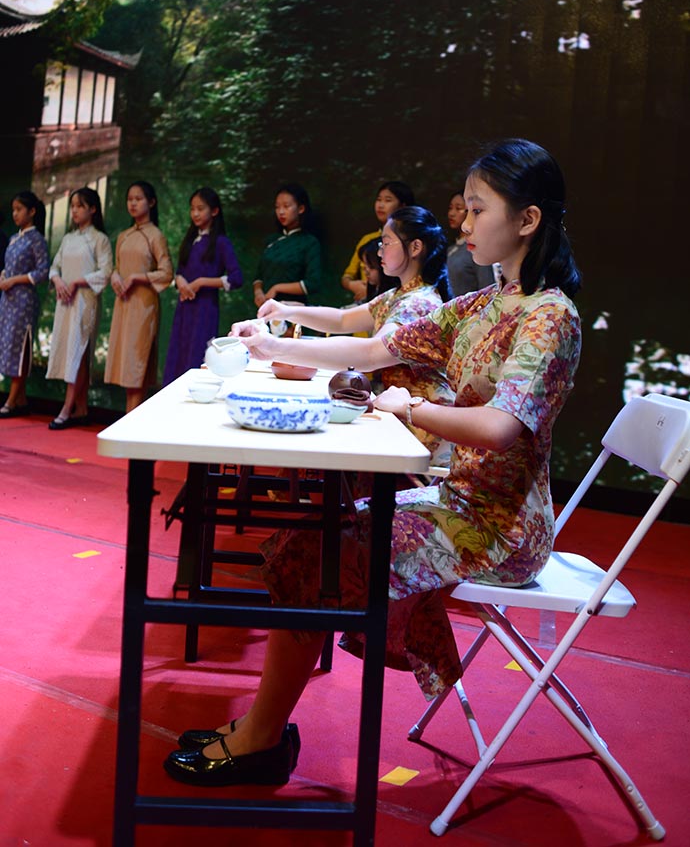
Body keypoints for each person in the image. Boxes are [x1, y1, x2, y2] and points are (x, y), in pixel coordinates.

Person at [163, 138, 581, 788]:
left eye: (478, 209)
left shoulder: (549, 316)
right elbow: (373, 348)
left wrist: (411, 408)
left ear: (527, 219)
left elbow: (502, 428)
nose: (464, 224)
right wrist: (271, 342)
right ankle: (263, 728)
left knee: (316, 553)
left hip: (501, 529)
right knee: (310, 539)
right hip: (457, 501)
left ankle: (260, 739)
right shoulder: (483, 307)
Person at [258, 206, 455, 463]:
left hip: (419, 427)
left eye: (386, 243)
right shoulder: (399, 295)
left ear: (415, 247)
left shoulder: (418, 302)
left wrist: (274, 347)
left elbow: (370, 354)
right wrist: (286, 311)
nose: (380, 251)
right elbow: (343, 319)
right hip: (399, 416)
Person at [46, 187, 113, 429]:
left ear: (93, 209)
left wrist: (77, 282)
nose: (74, 210)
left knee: (79, 350)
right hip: (65, 302)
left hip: (85, 302)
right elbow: (54, 266)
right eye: (72, 206)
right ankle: (81, 407)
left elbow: (106, 272)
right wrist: (58, 280)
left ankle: (67, 408)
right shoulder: (68, 238)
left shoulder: (100, 239)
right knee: (70, 351)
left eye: (80, 206)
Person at [163, 187, 243, 386]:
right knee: (178, 353)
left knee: (197, 354)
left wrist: (202, 282)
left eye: (200, 208)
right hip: (184, 308)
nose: (195, 213)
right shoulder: (190, 240)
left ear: (214, 211)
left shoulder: (221, 243)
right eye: (192, 209)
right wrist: (180, 281)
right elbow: (180, 271)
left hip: (205, 309)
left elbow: (236, 278)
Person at [104, 181, 173, 412]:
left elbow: (166, 273)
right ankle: (129, 416)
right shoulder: (124, 236)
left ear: (151, 202)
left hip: (143, 305)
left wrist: (137, 277)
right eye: (130, 199)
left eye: (138, 199)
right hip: (123, 303)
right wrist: (115, 276)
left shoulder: (155, 235)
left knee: (137, 362)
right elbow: (117, 266)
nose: (133, 204)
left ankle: (129, 419)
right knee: (125, 362)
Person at [0, 191, 50, 417]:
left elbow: (42, 271)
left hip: (24, 300)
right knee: (8, 345)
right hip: (8, 299)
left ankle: (11, 400)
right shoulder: (14, 238)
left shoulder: (36, 239)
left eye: (19, 210)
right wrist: (4, 275)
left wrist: (14, 280)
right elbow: (8, 265)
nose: (15, 214)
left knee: (20, 347)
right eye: (13, 210)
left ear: (31, 212)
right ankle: (20, 399)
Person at [252, 182, 321, 318]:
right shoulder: (271, 241)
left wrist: (277, 288)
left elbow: (313, 284)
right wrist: (258, 292)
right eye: (277, 207)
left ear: (301, 208)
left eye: (286, 206)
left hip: (294, 311)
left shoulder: (309, 242)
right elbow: (258, 276)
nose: (281, 212)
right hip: (267, 311)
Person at [341, 181, 415, 302]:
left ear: (403, 206)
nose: (380, 205)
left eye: (388, 200)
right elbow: (347, 276)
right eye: (379, 200)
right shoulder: (367, 240)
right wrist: (354, 285)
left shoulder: (408, 242)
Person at [446, 187, 497, 296]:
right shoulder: (451, 249)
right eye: (450, 208)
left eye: (458, 208)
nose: (451, 213)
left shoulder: (477, 248)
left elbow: (487, 288)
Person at [357, 236, 399, 302]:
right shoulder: (374, 289)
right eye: (364, 264)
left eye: (371, 267)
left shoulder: (393, 297)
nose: (366, 271)